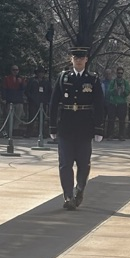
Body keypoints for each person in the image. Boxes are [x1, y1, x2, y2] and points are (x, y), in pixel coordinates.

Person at [49, 43, 105, 210]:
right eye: (76, 58)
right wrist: (52, 126)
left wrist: (99, 128)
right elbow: (53, 103)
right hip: (66, 125)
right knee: (65, 163)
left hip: (84, 126)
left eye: (81, 58)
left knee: (83, 163)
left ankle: (80, 188)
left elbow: (99, 104)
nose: (78, 61)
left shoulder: (92, 79)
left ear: (86, 60)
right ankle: (68, 196)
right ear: (71, 59)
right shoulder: (64, 77)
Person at [25, 67, 51, 136]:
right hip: (33, 102)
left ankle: (41, 133)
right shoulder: (32, 81)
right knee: (31, 118)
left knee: (42, 119)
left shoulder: (46, 82)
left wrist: (46, 100)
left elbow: (49, 92)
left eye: (42, 72)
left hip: (42, 103)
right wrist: (31, 98)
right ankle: (29, 133)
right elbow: (27, 91)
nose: (41, 74)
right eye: (39, 72)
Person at [1, 64, 27, 135]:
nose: (15, 71)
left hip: (19, 100)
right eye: (14, 70)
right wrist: (4, 98)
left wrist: (21, 83)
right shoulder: (7, 78)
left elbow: (23, 89)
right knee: (9, 117)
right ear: (11, 71)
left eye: (17, 70)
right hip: (10, 100)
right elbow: (4, 89)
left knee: (18, 117)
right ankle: (8, 131)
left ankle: (14, 130)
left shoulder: (21, 79)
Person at [106, 66, 130, 139]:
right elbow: (108, 91)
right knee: (111, 119)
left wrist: (124, 91)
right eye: (118, 73)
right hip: (113, 103)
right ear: (116, 73)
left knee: (122, 120)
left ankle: (121, 135)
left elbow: (128, 91)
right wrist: (114, 90)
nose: (120, 74)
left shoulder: (125, 82)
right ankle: (110, 135)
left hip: (122, 103)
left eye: (121, 73)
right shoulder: (113, 82)